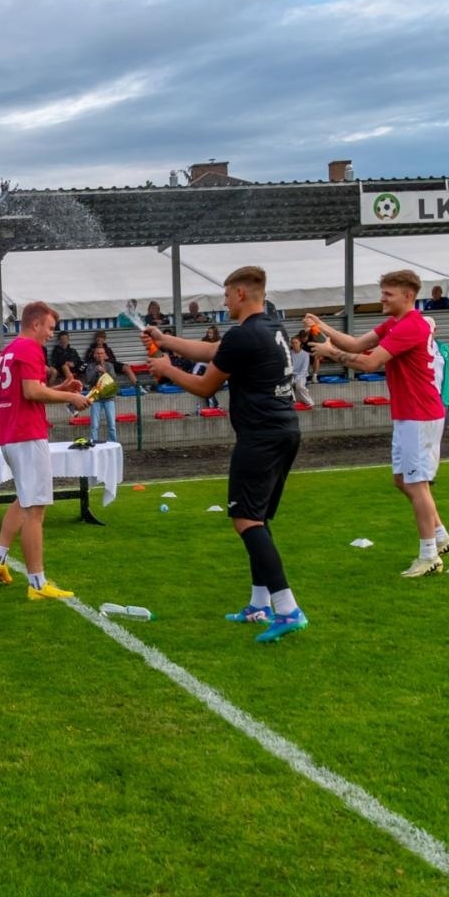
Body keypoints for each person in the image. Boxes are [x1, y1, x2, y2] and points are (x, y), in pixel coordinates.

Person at [143, 267, 307, 640]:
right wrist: (165, 339)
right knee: (258, 520)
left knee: (246, 520)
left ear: (241, 294)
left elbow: (204, 386)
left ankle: (287, 609)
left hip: (261, 436)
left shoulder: (245, 334)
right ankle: (259, 604)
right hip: (284, 430)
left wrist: (167, 369)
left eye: (227, 294)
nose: (224, 301)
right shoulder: (271, 327)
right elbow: (218, 352)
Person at [306, 269, 449, 578]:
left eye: (388, 294)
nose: (382, 298)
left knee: (416, 484)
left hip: (420, 414)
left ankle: (429, 555)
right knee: (403, 481)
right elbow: (356, 343)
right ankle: (441, 536)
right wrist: (324, 328)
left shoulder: (410, 326)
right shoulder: (396, 323)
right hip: (409, 413)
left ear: (408, 296)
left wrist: (328, 351)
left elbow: (369, 361)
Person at [0, 301, 91, 601]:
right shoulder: (30, 349)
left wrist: (64, 387)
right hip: (26, 435)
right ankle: (38, 584)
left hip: (10, 434)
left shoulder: (8, 351)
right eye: (49, 328)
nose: (50, 334)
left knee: (25, 499)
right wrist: (72, 398)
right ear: (35, 324)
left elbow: (26, 391)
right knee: (35, 510)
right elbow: (32, 392)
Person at [82, 342, 126, 443]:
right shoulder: (90, 366)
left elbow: (114, 380)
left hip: (109, 398)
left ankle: (113, 443)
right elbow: (89, 381)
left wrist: (104, 372)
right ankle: (94, 443)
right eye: (97, 353)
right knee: (94, 425)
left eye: (102, 353)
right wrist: (97, 373)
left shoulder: (109, 365)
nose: (100, 355)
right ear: (94, 355)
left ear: (105, 355)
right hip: (96, 398)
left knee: (112, 425)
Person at [428, 316, 449, 426]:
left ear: (435, 330)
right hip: (424, 398)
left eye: (430, 329)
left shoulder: (444, 348)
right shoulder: (414, 350)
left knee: (441, 431)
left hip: (442, 396)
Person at [290, 336, 312, 408]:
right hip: (291, 374)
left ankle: (309, 402)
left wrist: (296, 379)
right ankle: (293, 401)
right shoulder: (290, 353)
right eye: (292, 343)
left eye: (296, 343)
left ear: (300, 343)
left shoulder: (305, 355)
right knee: (287, 384)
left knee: (299, 386)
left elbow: (304, 370)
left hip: (302, 375)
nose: (294, 344)